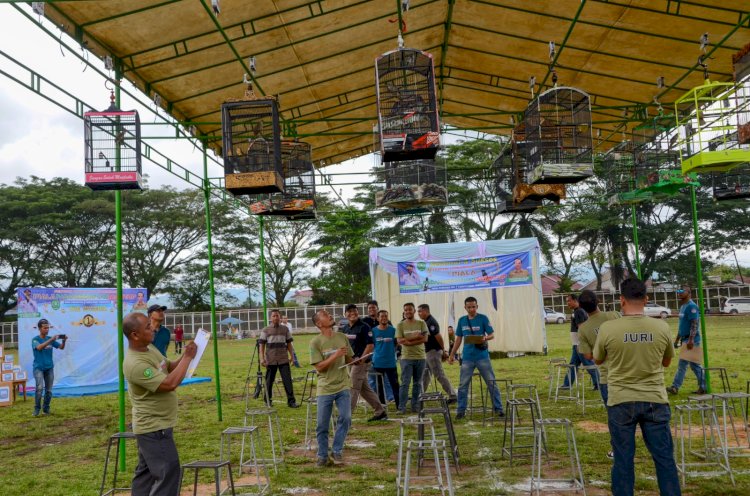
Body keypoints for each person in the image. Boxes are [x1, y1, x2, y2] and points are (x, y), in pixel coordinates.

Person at [593, 278, 680, 496]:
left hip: (620, 400)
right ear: (646, 299)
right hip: (655, 399)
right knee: (664, 458)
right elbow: (667, 361)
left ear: (621, 300)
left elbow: (598, 359)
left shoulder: (608, 328)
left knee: (623, 459)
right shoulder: (661, 326)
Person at [123, 311, 197, 496]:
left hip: (156, 426)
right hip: (153, 428)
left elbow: (170, 367)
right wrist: (187, 358)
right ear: (135, 335)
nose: (153, 328)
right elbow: (169, 383)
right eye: (148, 327)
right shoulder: (135, 363)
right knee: (168, 473)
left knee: (146, 475)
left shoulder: (149, 349)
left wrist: (190, 354)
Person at [309, 309, 353, 467]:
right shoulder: (315, 342)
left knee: (346, 418)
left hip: (343, 386)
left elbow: (349, 358)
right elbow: (319, 367)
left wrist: (357, 360)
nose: (330, 316)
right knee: (322, 425)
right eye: (326, 315)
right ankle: (322, 455)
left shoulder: (342, 337)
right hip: (325, 388)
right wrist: (335, 355)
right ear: (319, 324)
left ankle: (337, 450)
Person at [448, 297, 504, 420]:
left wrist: (485, 338)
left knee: (491, 383)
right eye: (469, 307)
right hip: (467, 357)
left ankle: (499, 408)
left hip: (482, 356)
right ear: (465, 308)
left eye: (473, 306)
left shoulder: (483, 318)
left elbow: (492, 334)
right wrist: (452, 354)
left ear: (477, 306)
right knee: (463, 385)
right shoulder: (462, 320)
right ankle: (461, 410)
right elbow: (458, 339)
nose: (471, 309)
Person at [340, 304, 387, 421]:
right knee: (364, 389)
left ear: (358, 312)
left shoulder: (364, 327)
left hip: (362, 362)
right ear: (345, 314)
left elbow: (370, 345)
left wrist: (361, 360)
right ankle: (380, 411)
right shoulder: (344, 328)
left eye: (355, 311)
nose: (352, 313)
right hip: (350, 362)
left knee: (353, 387)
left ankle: (346, 417)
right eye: (349, 311)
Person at [577, 290, 621, 406]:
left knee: (615, 417)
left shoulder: (583, 328)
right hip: (628, 374)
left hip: (607, 377)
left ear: (581, 307)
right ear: (598, 301)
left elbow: (587, 356)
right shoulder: (614, 315)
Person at [667, 286, 706, 395]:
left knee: (694, 365)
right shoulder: (683, 306)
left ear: (689, 293)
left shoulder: (692, 306)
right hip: (685, 339)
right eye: (678, 291)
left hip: (691, 340)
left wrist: (691, 340)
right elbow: (682, 325)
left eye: (681, 291)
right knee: (684, 365)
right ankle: (675, 387)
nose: (679, 293)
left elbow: (694, 324)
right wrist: (677, 340)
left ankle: (702, 386)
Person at [259, 309, 299, 408]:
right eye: (273, 316)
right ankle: (267, 401)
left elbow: (289, 344)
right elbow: (261, 345)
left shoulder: (285, 329)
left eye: (277, 316)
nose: (276, 318)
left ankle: (291, 401)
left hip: (283, 359)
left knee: (287, 380)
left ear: (280, 317)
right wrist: (262, 358)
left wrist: (292, 357)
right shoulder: (265, 330)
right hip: (271, 359)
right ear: (270, 318)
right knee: (269, 381)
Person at [418, 304, 456, 403]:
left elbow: (438, 336)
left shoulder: (430, 322)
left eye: (420, 311)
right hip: (429, 352)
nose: (419, 313)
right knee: (425, 374)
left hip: (433, 351)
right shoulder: (426, 321)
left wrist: (443, 350)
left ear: (426, 311)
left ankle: (453, 395)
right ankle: (420, 395)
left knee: (439, 374)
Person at [396, 302, 428, 414]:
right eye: (406, 310)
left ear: (414, 311)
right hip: (406, 358)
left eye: (410, 309)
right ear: (404, 312)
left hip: (421, 357)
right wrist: (415, 337)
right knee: (405, 383)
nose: (408, 311)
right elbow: (399, 341)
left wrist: (408, 341)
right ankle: (402, 407)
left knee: (418, 383)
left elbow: (425, 339)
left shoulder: (421, 323)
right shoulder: (400, 325)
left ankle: (415, 406)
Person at [561, 294, 599, 390]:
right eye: (566, 301)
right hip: (576, 345)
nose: (567, 303)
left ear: (575, 300)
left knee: (588, 364)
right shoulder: (577, 311)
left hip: (579, 345)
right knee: (573, 365)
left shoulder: (579, 312)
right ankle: (567, 384)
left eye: (569, 301)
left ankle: (599, 383)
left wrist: (581, 344)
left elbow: (582, 328)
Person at [31, 318, 66, 416]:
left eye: (48, 328)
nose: (47, 330)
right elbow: (39, 347)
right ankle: (37, 409)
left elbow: (61, 347)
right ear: (39, 329)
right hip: (38, 368)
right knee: (39, 388)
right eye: (45, 328)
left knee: (49, 390)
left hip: (49, 368)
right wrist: (51, 339)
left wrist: (64, 341)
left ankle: (46, 409)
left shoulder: (50, 338)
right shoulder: (35, 339)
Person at [363, 301, 395, 403]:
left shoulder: (386, 321)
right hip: (370, 354)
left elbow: (393, 338)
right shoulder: (364, 322)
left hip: (384, 355)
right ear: (367, 310)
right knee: (372, 378)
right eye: (370, 308)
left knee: (386, 378)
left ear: (377, 309)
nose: (372, 310)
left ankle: (390, 397)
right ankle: (374, 399)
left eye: (374, 308)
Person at [371, 309, 401, 410]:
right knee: (379, 386)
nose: (384, 318)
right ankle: (382, 407)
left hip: (391, 363)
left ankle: (399, 406)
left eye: (386, 316)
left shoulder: (393, 330)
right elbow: (373, 345)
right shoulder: (373, 331)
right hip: (378, 363)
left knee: (395, 385)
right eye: (382, 316)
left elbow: (396, 344)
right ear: (378, 318)